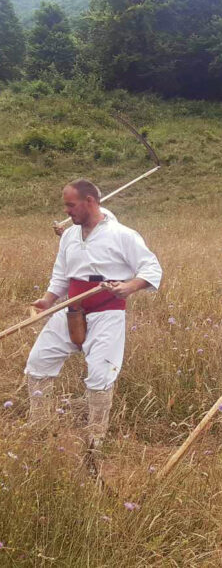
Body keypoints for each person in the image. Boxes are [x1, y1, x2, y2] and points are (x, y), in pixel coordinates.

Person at [25, 179, 162, 469]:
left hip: (107, 312)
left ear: (90, 201)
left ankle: (94, 444)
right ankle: (40, 430)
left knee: (101, 376)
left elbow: (151, 268)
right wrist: (48, 300)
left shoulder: (123, 234)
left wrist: (129, 286)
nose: (66, 211)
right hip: (70, 309)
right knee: (38, 363)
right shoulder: (69, 236)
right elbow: (61, 274)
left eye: (70, 205)